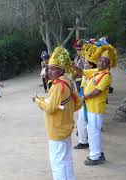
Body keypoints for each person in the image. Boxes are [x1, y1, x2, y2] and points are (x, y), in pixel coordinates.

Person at [33, 47, 82, 180]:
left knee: (57, 162)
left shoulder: (57, 85)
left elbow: (49, 108)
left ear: (61, 70)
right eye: (49, 68)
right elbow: (77, 104)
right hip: (66, 127)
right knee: (67, 159)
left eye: (52, 68)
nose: (49, 71)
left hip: (56, 129)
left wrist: (38, 100)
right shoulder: (69, 82)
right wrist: (62, 108)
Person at [72, 42, 117, 166]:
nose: (101, 63)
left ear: (109, 64)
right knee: (91, 130)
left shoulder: (107, 76)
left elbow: (97, 91)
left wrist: (83, 97)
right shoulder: (97, 71)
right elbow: (83, 72)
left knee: (93, 132)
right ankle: (96, 153)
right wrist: (72, 65)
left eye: (105, 62)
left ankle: (95, 156)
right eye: (100, 60)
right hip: (89, 106)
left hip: (96, 108)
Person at [74, 44, 98, 150]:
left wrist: (84, 97)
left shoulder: (93, 73)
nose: (84, 63)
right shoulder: (88, 73)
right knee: (81, 120)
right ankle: (83, 141)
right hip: (83, 98)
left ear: (92, 65)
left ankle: (87, 144)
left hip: (88, 101)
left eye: (86, 62)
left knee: (86, 123)